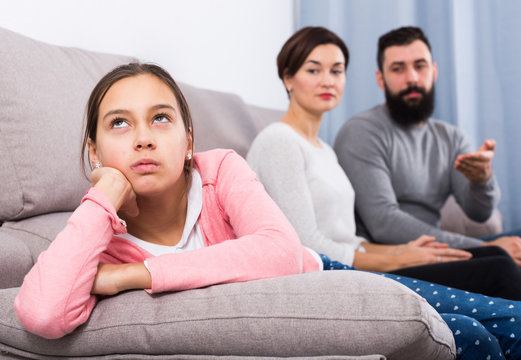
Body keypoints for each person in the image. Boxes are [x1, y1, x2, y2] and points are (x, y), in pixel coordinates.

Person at [247, 26, 521, 359]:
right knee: (500, 268)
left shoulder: (323, 149)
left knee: (499, 260)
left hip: (356, 264)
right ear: (288, 78)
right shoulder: (279, 141)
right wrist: (398, 255)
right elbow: (308, 247)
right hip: (335, 278)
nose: (328, 80)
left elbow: (348, 238)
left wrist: (401, 252)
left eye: (337, 70)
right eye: (313, 69)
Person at [14, 62, 322, 340]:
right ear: (94, 153)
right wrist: (103, 196)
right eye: (119, 123)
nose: (144, 139)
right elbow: (42, 315)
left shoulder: (221, 170)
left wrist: (133, 274)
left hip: (322, 272)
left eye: (160, 118)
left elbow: (283, 253)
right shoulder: (95, 231)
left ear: (188, 141)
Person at [333, 26, 521, 266]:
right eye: (398, 69)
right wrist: (486, 248)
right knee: (503, 263)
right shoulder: (362, 131)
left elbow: (480, 214)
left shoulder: (451, 138)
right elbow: (384, 224)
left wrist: (482, 180)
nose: (412, 78)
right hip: (397, 259)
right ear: (381, 79)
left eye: (420, 66)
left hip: (438, 251)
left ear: (434, 71)